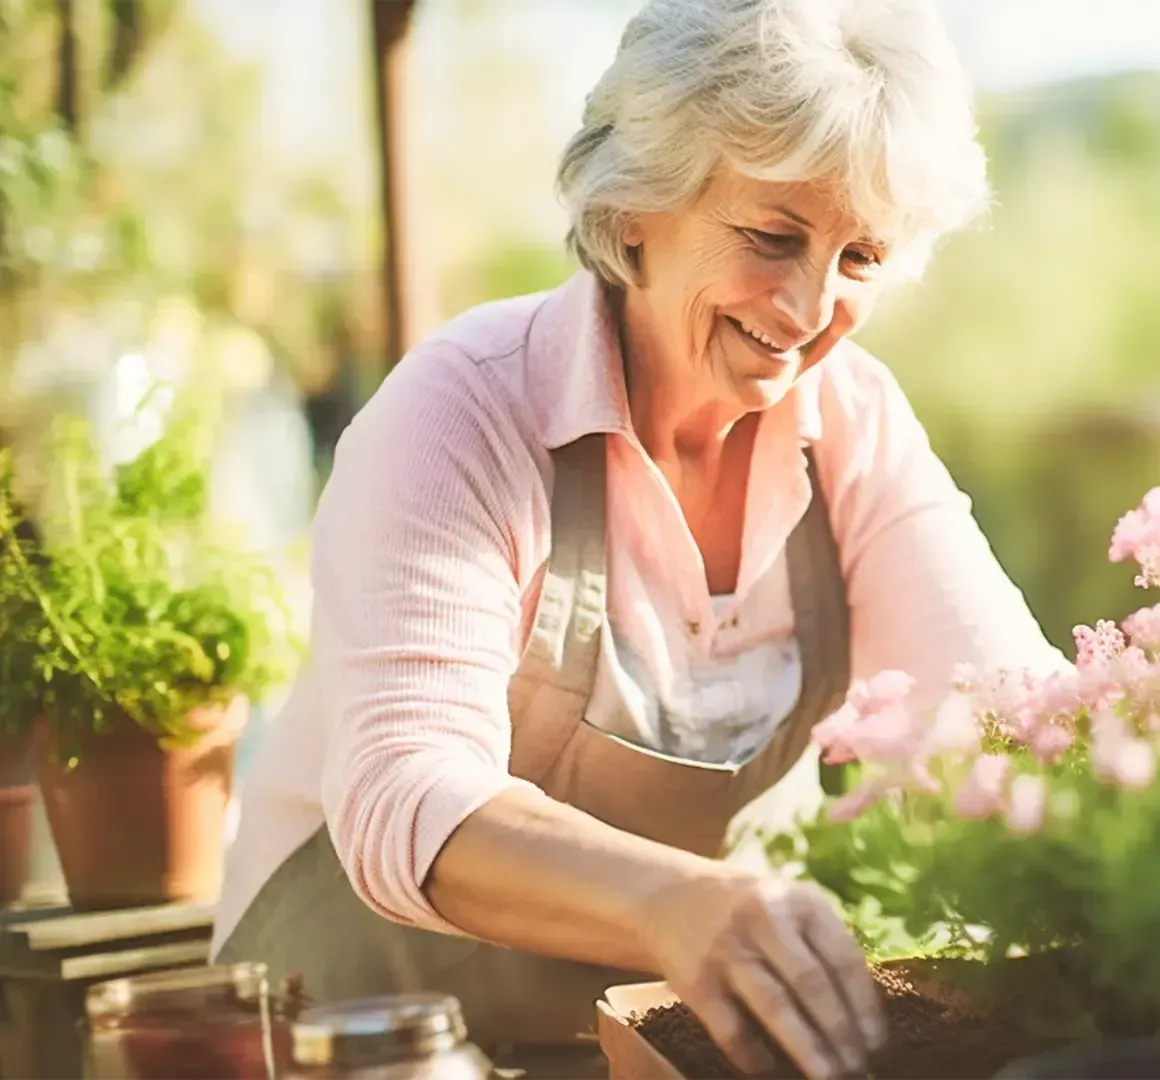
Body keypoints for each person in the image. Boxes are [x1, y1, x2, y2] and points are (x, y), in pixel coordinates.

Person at [211, 1, 1066, 1076]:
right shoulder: (464, 411)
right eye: (772, 237)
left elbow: (1010, 713)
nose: (809, 307)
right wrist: (678, 902)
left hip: (652, 1049)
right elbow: (404, 794)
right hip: (356, 1042)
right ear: (634, 214)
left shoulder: (853, 423)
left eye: (860, 257)